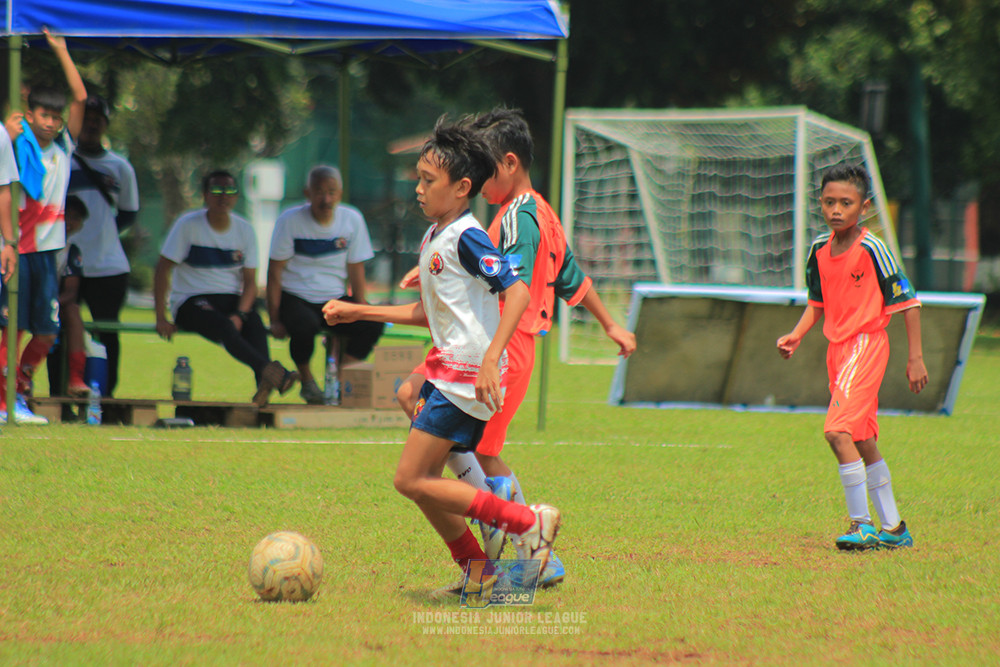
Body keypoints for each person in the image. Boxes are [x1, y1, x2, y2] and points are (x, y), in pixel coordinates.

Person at [396, 108, 637, 585]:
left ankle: (531, 547)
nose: (481, 180)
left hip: (504, 342)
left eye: (486, 169)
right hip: (501, 343)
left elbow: (513, 284)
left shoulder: (515, 221)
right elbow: (572, 277)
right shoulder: (542, 212)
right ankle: (507, 544)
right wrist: (611, 324)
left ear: (508, 163)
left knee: (479, 449)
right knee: (416, 400)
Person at [322, 117, 559, 600]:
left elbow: (515, 294)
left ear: (461, 187)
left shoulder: (468, 236)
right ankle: (477, 565)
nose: (418, 189)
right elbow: (427, 313)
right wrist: (358, 311)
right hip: (448, 372)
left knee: (411, 479)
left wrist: (494, 358)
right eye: (418, 178)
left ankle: (525, 524)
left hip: (466, 375)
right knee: (417, 448)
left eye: (428, 181)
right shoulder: (438, 236)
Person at [776, 164, 927, 551]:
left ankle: (861, 525)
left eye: (846, 202)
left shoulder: (872, 248)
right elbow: (818, 302)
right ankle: (894, 528)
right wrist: (796, 334)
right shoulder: (817, 251)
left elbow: (908, 302)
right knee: (862, 440)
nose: (836, 210)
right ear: (821, 204)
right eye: (829, 202)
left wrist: (916, 358)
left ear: (865, 206)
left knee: (836, 432)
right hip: (838, 351)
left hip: (866, 343)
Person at [0, 30, 86, 424]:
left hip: (48, 252)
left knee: (46, 333)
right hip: (17, 248)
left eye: (56, 117)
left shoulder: (64, 147)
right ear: (29, 114)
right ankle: (4, 404)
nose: (51, 123)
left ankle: (17, 388)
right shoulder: (15, 144)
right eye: (45, 116)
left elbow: (80, 98)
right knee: (9, 329)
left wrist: (61, 50)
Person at [154, 170, 298, 407]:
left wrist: (241, 313)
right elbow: (162, 270)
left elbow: (250, 283)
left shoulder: (244, 229)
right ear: (205, 195)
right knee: (224, 326)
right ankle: (271, 372)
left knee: (254, 324)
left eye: (230, 191)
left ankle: (263, 388)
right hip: (192, 301)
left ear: (236, 196)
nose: (223, 196)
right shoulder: (187, 225)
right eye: (216, 190)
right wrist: (161, 317)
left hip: (230, 300)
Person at [267, 165, 384, 404]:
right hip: (295, 296)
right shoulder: (289, 220)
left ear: (340, 193)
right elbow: (274, 272)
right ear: (307, 193)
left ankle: (343, 378)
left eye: (332, 192)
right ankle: (308, 382)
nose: (326, 199)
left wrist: (361, 307)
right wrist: (275, 319)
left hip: (334, 298)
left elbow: (355, 267)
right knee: (304, 325)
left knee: (372, 323)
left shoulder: (352, 219)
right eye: (319, 192)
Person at [66, 93, 140, 398]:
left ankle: (106, 397)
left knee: (107, 333)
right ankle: (63, 393)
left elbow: (128, 213)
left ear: (106, 125)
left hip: (108, 266)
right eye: (86, 118)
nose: (92, 125)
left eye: (98, 120)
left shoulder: (120, 167)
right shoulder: (62, 161)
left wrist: (102, 234)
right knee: (60, 331)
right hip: (65, 263)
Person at [46, 194, 89, 398]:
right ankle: (19, 380)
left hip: (50, 304)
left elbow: (71, 292)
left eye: (76, 218)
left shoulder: (71, 251)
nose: (70, 223)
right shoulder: (37, 242)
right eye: (67, 216)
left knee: (72, 311)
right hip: (26, 302)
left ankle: (76, 378)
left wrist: (51, 304)